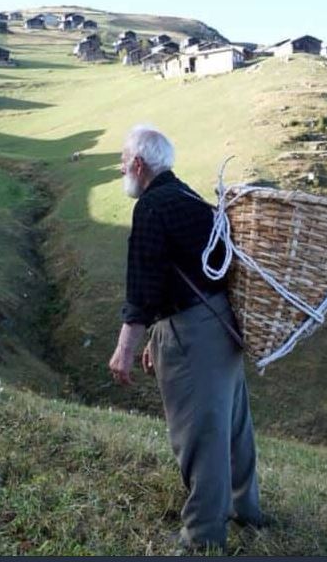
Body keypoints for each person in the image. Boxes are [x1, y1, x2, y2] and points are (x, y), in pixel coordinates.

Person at [108, 124, 263, 552]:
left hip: (192, 333)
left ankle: (203, 535)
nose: (121, 168)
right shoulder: (189, 197)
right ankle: (246, 509)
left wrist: (125, 349)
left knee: (199, 433)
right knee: (232, 423)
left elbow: (143, 287)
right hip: (222, 322)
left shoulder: (151, 208)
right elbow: (192, 270)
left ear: (139, 164)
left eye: (123, 160)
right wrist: (158, 337)